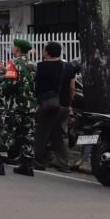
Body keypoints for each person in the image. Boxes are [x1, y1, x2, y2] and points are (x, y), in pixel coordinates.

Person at [0, 39, 37, 177]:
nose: (12, 48)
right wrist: (5, 70)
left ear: (18, 49)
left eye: (14, 47)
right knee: (28, 135)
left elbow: (10, 84)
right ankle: (27, 166)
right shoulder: (32, 65)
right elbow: (26, 80)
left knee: (5, 134)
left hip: (15, 106)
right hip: (30, 106)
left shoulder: (13, 63)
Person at [34, 41, 75, 172]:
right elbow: (72, 88)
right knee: (60, 135)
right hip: (64, 106)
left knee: (42, 133)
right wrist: (69, 104)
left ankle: (39, 161)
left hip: (47, 105)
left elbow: (37, 87)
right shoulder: (69, 67)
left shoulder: (41, 66)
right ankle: (64, 164)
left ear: (47, 52)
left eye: (43, 50)